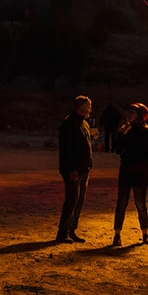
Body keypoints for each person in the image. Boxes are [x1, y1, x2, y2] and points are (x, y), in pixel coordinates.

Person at [112, 103, 148, 247]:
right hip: (126, 170)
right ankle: (117, 234)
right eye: (129, 113)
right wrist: (120, 135)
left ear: (139, 115)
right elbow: (117, 150)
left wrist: (143, 159)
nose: (129, 116)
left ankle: (145, 233)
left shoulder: (147, 131)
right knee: (122, 202)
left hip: (140, 171)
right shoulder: (126, 130)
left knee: (140, 203)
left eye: (132, 113)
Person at [57, 95, 93, 243]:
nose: (90, 110)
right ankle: (62, 232)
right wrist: (72, 168)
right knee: (71, 200)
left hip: (84, 169)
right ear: (80, 108)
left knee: (79, 200)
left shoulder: (84, 124)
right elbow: (67, 149)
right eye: (88, 107)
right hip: (73, 170)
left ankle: (72, 229)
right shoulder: (69, 124)